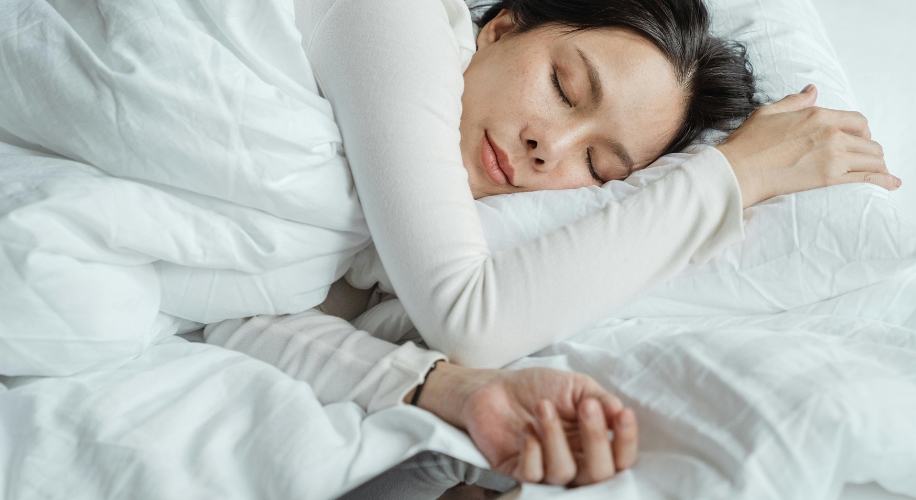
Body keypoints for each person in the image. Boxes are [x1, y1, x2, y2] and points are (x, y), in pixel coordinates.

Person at [203, 0, 900, 493]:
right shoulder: (395, 17)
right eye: (565, 87)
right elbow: (470, 318)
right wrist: (733, 176)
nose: (549, 147)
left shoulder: (376, 237)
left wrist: (446, 389)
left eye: (598, 169)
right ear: (501, 27)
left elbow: (234, 314)